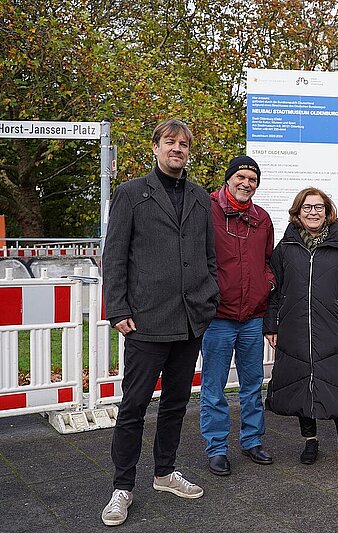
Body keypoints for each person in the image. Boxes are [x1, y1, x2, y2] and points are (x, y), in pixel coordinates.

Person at [101, 119, 219, 527]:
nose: (177, 149)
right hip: (147, 322)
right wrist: (117, 309)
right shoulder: (131, 194)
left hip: (190, 322)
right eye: (170, 142)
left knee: (175, 404)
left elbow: (208, 257)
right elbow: (114, 256)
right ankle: (122, 487)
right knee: (133, 406)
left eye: (184, 144)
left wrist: (208, 298)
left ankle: (165, 473)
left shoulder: (202, 198)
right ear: (155, 147)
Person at [264, 187, 338, 469]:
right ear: (298, 213)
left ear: (327, 212)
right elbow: (274, 291)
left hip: (333, 327)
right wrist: (271, 325)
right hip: (294, 327)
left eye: (319, 207)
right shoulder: (285, 249)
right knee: (302, 382)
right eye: (307, 208)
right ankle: (310, 442)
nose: (313, 213)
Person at [200, 155, 275, 475]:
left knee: (252, 384)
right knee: (214, 386)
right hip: (218, 317)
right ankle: (217, 447)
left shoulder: (262, 218)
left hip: (252, 316)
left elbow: (269, 260)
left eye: (253, 179)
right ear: (228, 179)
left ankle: (252, 440)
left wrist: (266, 283)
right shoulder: (207, 210)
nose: (247, 183)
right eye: (241, 177)